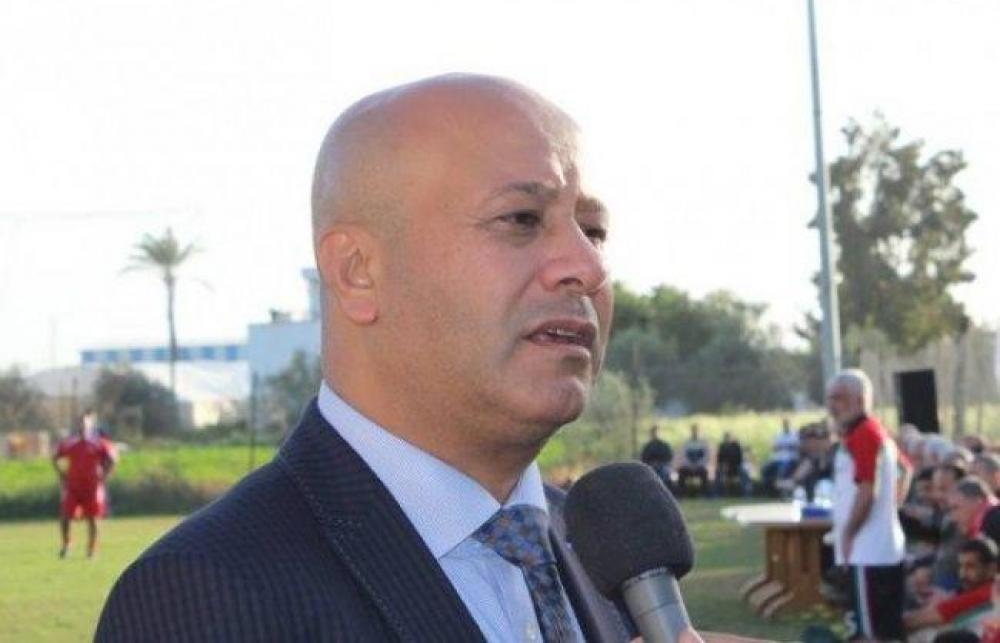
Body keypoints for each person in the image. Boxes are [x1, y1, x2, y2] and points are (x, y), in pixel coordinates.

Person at [96, 75, 706, 642]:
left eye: (593, 232)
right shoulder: (204, 595)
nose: (588, 267)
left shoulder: (605, 550)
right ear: (357, 272)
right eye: (522, 219)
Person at [827, 368, 906, 642]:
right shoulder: (876, 431)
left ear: (860, 399)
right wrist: (891, 508)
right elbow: (905, 470)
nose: (832, 406)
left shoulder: (863, 434)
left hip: (867, 551)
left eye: (838, 398)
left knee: (869, 633)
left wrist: (849, 532)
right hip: (881, 547)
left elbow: (867, 490)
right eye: (830, 398)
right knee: (886, 630)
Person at [52, 407, 116, 558]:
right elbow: (55, 457)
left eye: (85, 422)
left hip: (93, 486)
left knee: (93, 518)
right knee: (66, 516)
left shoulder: (99, 443)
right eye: (79, 422)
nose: (82, 425)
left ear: (90, 424)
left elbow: (112, 459)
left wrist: (104, 475)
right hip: (73, 485)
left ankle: (91, 549)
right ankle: (66, 546)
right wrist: (61, 474)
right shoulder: (70, 442)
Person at [904, 537, 998, 636]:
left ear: (991, 569)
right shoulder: (989, 590)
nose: (963, 573)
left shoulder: (984, 594)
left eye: (970, 566)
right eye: (961, 566)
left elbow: (912, 622)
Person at [762, 417, 800, 495]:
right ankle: (768, 490)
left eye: (786, 423)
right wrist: (786, 446)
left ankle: (783, 490)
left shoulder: (794, 435)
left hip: (790, 459)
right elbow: (774, 447)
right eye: (784, 424)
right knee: (765, 469)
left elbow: (796, 447)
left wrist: (783, 446)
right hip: (777, 459)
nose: (785, 425)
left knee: (783, 470)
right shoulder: (778, 434)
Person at [678, 423, 710, 497]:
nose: (695, 432)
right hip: (688, 467)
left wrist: (698, 465)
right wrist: (690, 465)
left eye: (696, 431)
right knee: (681, 472)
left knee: (704, 472)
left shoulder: (703, 443)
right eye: (693, 430)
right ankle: (682, 494)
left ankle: (704, 494)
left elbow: (706, 457)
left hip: (699, 466)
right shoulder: (687, 443)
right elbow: (683, 456)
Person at [714, 432, 750, 497]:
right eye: (726, 437)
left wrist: (735, 464)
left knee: (744, 472)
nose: (727, 439)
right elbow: (719, 459)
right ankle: (717, 493)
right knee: (718, 472)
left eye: (728, 437)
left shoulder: (736, 446)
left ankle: (746, 493)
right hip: (725, 466)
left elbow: (740, 458)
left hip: (736, 466)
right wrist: (723, 465)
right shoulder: (722, 446)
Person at [640, 425, 675, 491]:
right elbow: (643, 458)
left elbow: (669, 457)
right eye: (653, 432)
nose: (654, 434)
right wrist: (652, 463)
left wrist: (660, 463)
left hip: (663, 465)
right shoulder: (647, 446)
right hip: (650, 466)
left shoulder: (664, 445)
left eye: (656, 432)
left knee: (665, 473)